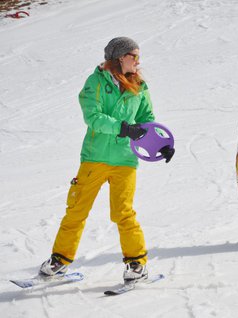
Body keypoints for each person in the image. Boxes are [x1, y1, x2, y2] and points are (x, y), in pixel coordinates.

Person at [39, 37, 175, 282]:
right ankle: (60, 259)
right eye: (134, 56)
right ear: (120, 57)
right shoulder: (95, 83)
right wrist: (123, 128)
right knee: (77, 210)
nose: (138, 61)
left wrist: (161, 145)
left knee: (123, 212)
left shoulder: (139, 86)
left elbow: (146, 121)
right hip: (95, 157)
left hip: (125, 160)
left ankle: (136, 264)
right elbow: (93, 117)